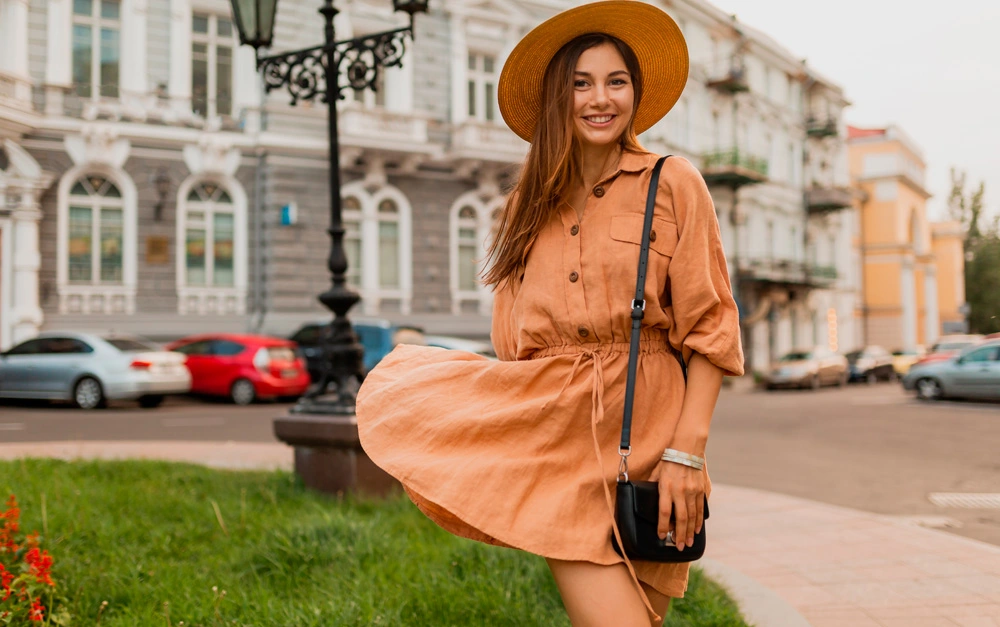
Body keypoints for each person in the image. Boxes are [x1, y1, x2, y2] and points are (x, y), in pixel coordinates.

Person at [356, 2, 744, 625]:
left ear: (636, 94)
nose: (601, 99)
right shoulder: (525, 207)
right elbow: (513, 344)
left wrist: (687, 453)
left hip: (651, 430)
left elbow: (711, 328)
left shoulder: (672, 182)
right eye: (581, 83)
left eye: (616, 81)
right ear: (557, 98)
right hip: (560, 434)